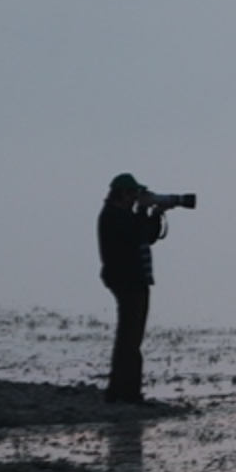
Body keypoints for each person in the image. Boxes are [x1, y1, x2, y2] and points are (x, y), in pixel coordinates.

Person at [98, 173, 166, 405]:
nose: (137, 198)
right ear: (124, 194)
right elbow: (135, 234)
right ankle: (127, 392)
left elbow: (147, 236)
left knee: (130, 337)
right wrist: (142, 211)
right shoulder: (113, 216)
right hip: (127, 281)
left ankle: (119, 389)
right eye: (134, 194)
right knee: (129, 339)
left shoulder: (123, 215)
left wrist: (155, 214)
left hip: (135, 281)